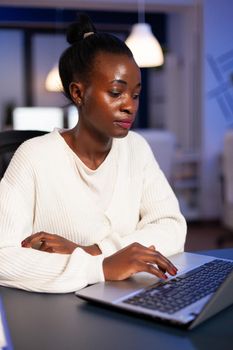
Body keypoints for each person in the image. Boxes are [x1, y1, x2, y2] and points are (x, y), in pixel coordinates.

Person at [0, 14, 186, 293]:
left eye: (135, 95)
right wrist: (101, 267)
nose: (129, 107)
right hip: (59, 316)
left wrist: (95, 251)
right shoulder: (33, 157)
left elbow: (171, 227)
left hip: (129, 297)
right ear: (78, 93)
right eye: (115, 93)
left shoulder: (136, 148)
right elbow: (3, 256)